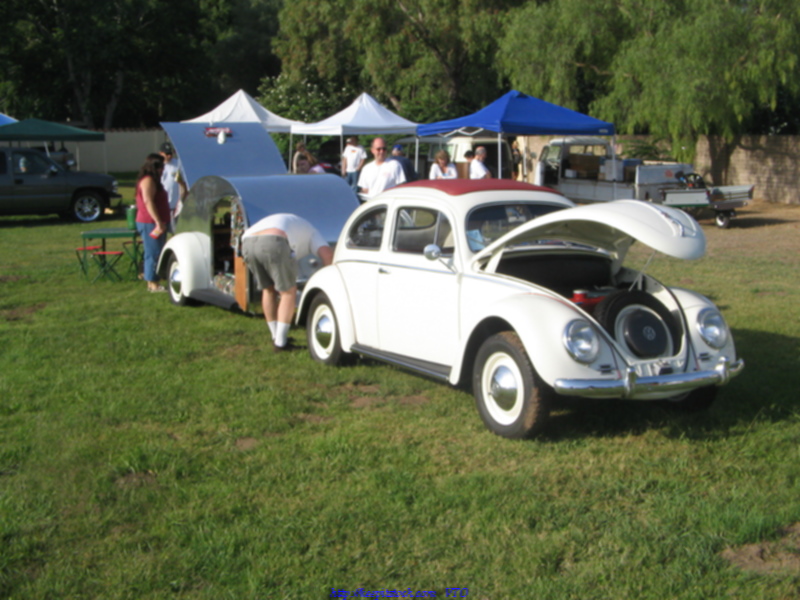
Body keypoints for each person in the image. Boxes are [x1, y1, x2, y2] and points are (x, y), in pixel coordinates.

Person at [241, 213, 334, 351]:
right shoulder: (314, 233)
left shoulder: (300, 225)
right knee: (288, 292)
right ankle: (280, 344)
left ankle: (275, 335)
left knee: (268, 289)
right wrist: (330, 283)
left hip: (247, 241)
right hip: (274, 240)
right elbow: (327, 255)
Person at [134, 153, 171, 292]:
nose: (162, 169)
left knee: (157, 251)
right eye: (160, 166)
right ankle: (153, 283)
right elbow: (148, 202)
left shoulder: (155, 181)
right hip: (150, 222)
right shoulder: (148, 180)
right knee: (154, 252)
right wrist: (158, 222)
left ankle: (152, 281)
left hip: (155, 222)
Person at [159, 141, 187, 230]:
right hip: (161, 205)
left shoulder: (178, 164)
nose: (169, 156)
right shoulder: (157, 165)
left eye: (170, 154)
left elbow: (185, 181)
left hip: (175, 204)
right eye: (166, 154)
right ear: (160, 153)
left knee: (176, 231)